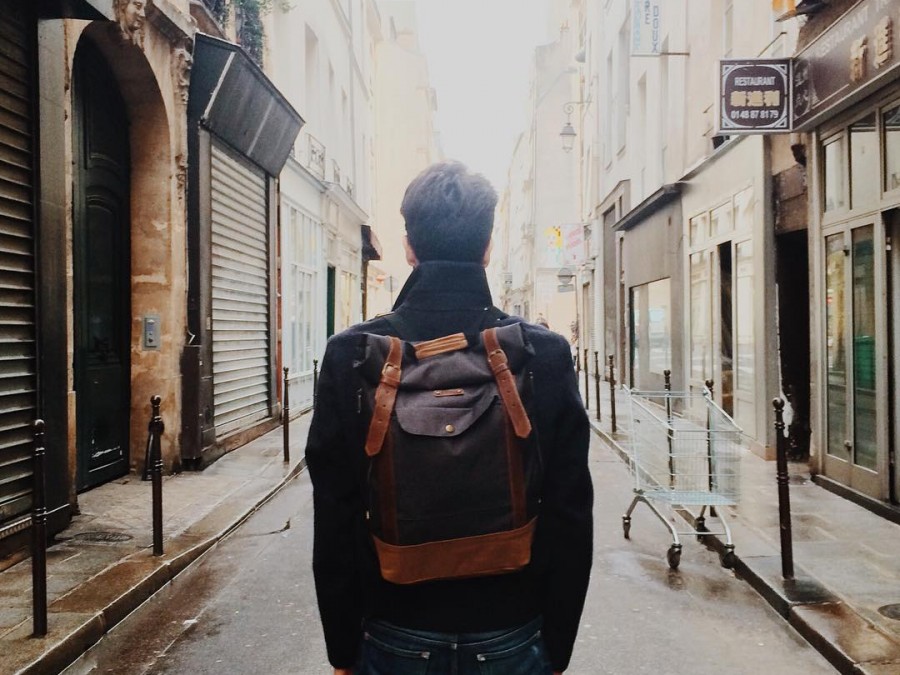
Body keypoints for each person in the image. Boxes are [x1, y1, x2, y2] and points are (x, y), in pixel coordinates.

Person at [306, 160, 593, 675]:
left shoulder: (352, 354)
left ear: (409, 248)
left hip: (393, 629)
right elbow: (569, 512)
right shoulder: (543, 354)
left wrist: (342, 650)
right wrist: (557, 646)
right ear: (488, 248)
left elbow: (335, 515)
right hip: (512, 630)